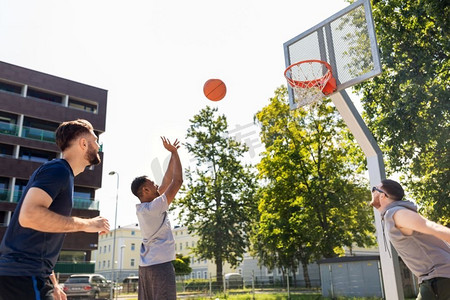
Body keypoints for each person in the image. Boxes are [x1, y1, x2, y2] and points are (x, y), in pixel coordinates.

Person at [0, 119, 110, 300]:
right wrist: (88, 224)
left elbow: (41, 237)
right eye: (95, 140)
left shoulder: (62, 174)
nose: (98, 146)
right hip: (23, 277)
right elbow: (29, 216)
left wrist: (54, 284)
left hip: (27, 276)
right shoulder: (58, 170)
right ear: (83, 143)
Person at [370, 179, 450, 299]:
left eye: (373, 189)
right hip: (435, 278)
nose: (371, 192)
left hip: (439, 278)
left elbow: (435, 228)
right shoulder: (392, 214)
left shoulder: (398, 213)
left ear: (382, 196)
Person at [130, 137, 183, 300]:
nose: (157, 186)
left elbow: (167, 181)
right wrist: (175, 153)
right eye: (153, 184)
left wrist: (173, 154)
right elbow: (177, 182)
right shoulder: (154, 208)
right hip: (160, 267)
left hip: (146, 268)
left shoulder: (145, 208)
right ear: (145, 190)